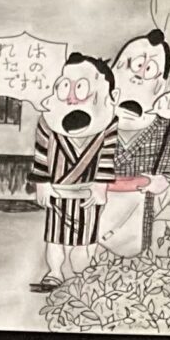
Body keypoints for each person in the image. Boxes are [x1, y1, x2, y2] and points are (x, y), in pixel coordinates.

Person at [31, 52, 114, 292]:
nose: (71, 96)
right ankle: (54, 272)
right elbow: (41, 155)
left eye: (80, 88)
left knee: (84, 240)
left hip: (87, 193)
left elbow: (107, 157)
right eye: (65, 86)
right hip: (57, 191)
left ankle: (82, 274)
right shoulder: (48, 122)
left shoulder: (107, 124)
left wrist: (100, 186)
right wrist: (41, 183)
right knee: (55, 236)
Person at [106, 28, 170, 253]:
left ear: (160, 84)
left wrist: (156, 181)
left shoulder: (164, 123)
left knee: (133, 253)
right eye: (136, 64)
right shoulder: (100, 116)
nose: (139, 75)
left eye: (148, 69)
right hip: (98, 198)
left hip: (138, 207)